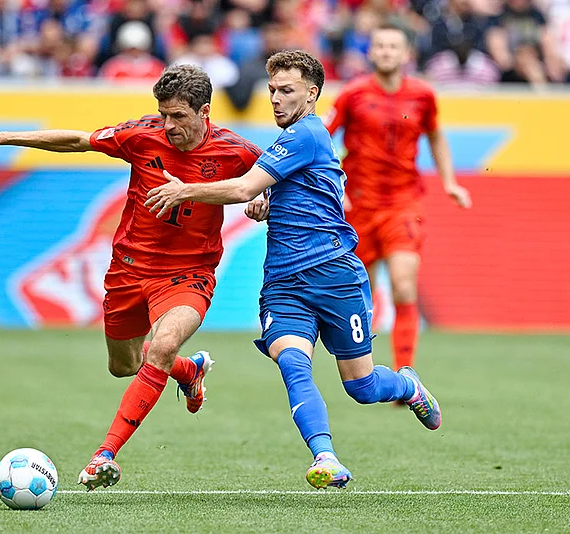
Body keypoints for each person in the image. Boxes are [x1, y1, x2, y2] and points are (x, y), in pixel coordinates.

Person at [0, 64, 263, 491]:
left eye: (179, 117)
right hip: (129, 271)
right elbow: (78, 140)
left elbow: (275, 183)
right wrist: (3, 137)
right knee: (125, 366)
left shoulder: (238, 151)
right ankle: (189, 371)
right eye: (163, 114)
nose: (168, 125)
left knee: (163, 345)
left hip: (189, 274)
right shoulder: (140, 135)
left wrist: (263, 200)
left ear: (204, 111)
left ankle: (104, 455)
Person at [145, 50, 441, 489]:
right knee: (293, 364)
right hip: (284, 283)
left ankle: (407, 387)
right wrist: (272, 203)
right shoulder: (291, 142)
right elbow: (290, 190)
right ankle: (326, 457)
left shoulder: (306, 134)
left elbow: (245, 185)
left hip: (336, 274)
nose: (276, 99)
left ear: (312, 93)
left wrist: (187, 190)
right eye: (272, 91)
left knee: (360, 387)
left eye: (287, 90)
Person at [323, 23, 472, 374]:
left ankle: (406, 373)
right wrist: (332, 185)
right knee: (362, 293)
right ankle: (366, 372)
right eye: (380, 45)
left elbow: (436, 136)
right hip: (359, 204)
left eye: (394, 46)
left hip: (404, 203)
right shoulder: (353, 94)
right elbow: (321, 136)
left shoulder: (423, 95)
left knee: (405, 285)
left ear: (407, 54)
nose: (387, 52)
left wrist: (450, 182)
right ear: (370, 52)